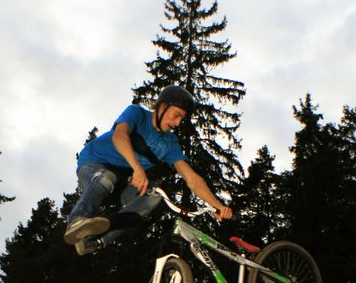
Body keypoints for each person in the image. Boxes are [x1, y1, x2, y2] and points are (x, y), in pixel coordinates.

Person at [63, 84, 233, 255]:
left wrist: (216, 205)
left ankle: (98, 241)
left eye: (182, 119)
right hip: (93, 166)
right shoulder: (137, 114)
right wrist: (137, 168)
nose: (177, 123)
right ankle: (77, 221)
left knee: (154, 195)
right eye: (176, 115)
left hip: (122, 183)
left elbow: (191, 178)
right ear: (162, 106)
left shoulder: (170, 143)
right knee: (107, 176)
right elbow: (119, 136)